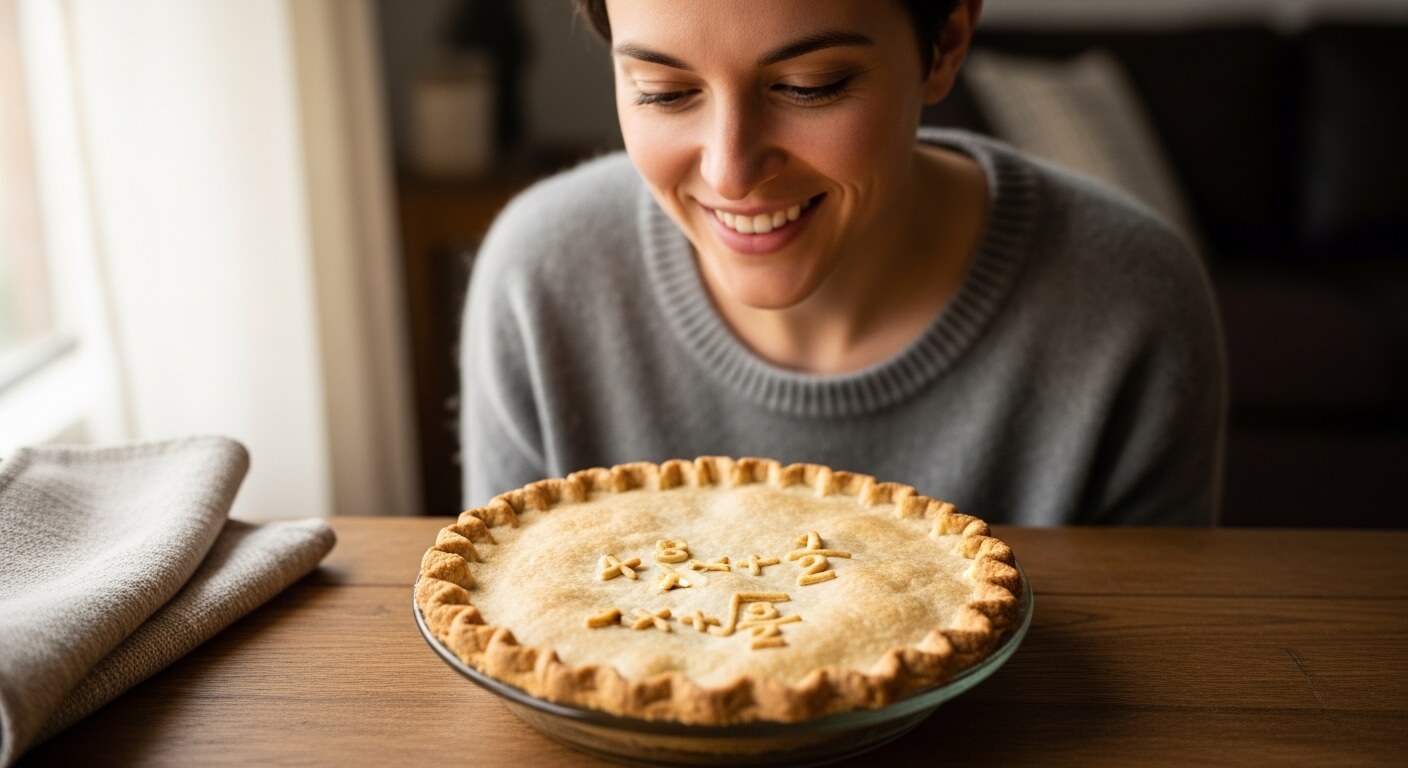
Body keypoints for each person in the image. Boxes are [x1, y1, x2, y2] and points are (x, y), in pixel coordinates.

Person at [458, 0, 1226, 526]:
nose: (730, 172)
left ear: (946, 42)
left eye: (807, 87)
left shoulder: (1133, 302)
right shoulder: (540, 281)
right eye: (663, 92)